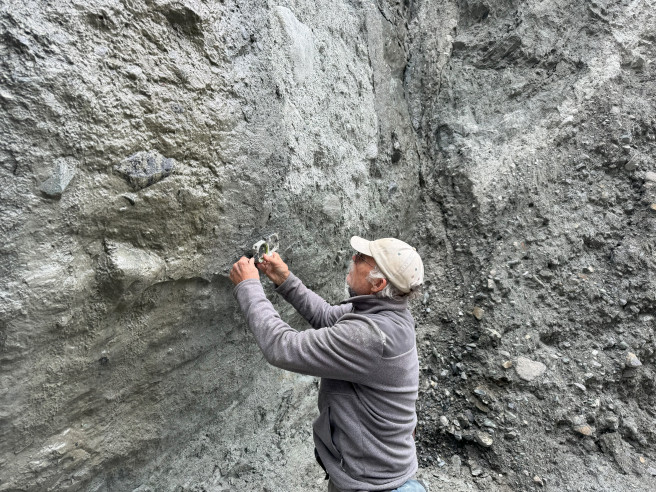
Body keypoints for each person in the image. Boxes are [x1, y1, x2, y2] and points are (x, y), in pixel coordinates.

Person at [229, 236, 426, 492]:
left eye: (362, 259)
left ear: (378, 283)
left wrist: (248, 286)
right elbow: (326, 316)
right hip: (380, 472)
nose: (353, 258)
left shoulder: (371, 336)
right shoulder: (386, 313)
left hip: (373, 485)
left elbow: (282, 347)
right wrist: (285, 279)